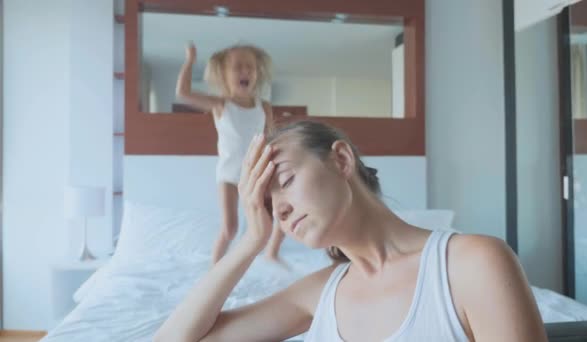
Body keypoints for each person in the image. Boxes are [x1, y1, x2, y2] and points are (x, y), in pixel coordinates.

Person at [155, 120, 547, 342]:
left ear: (341, 160)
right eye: (268, 204)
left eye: (286, 180)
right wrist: (250, 242)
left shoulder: (472, 265)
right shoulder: (318, 293)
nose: (281, 209)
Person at [175, 42, 284, 264]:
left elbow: (270, 139)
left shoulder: (263, 107)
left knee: (279, 213)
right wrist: (189, 61)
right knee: (230, 228)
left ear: (257, 73)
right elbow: (183, 93)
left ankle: (272, 253)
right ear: (224, 75)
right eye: (237, 67)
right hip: (229, 175)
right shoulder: (221, 104)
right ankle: (214, 269)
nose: (245, 71)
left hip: (256, 172)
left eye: (250, 67)